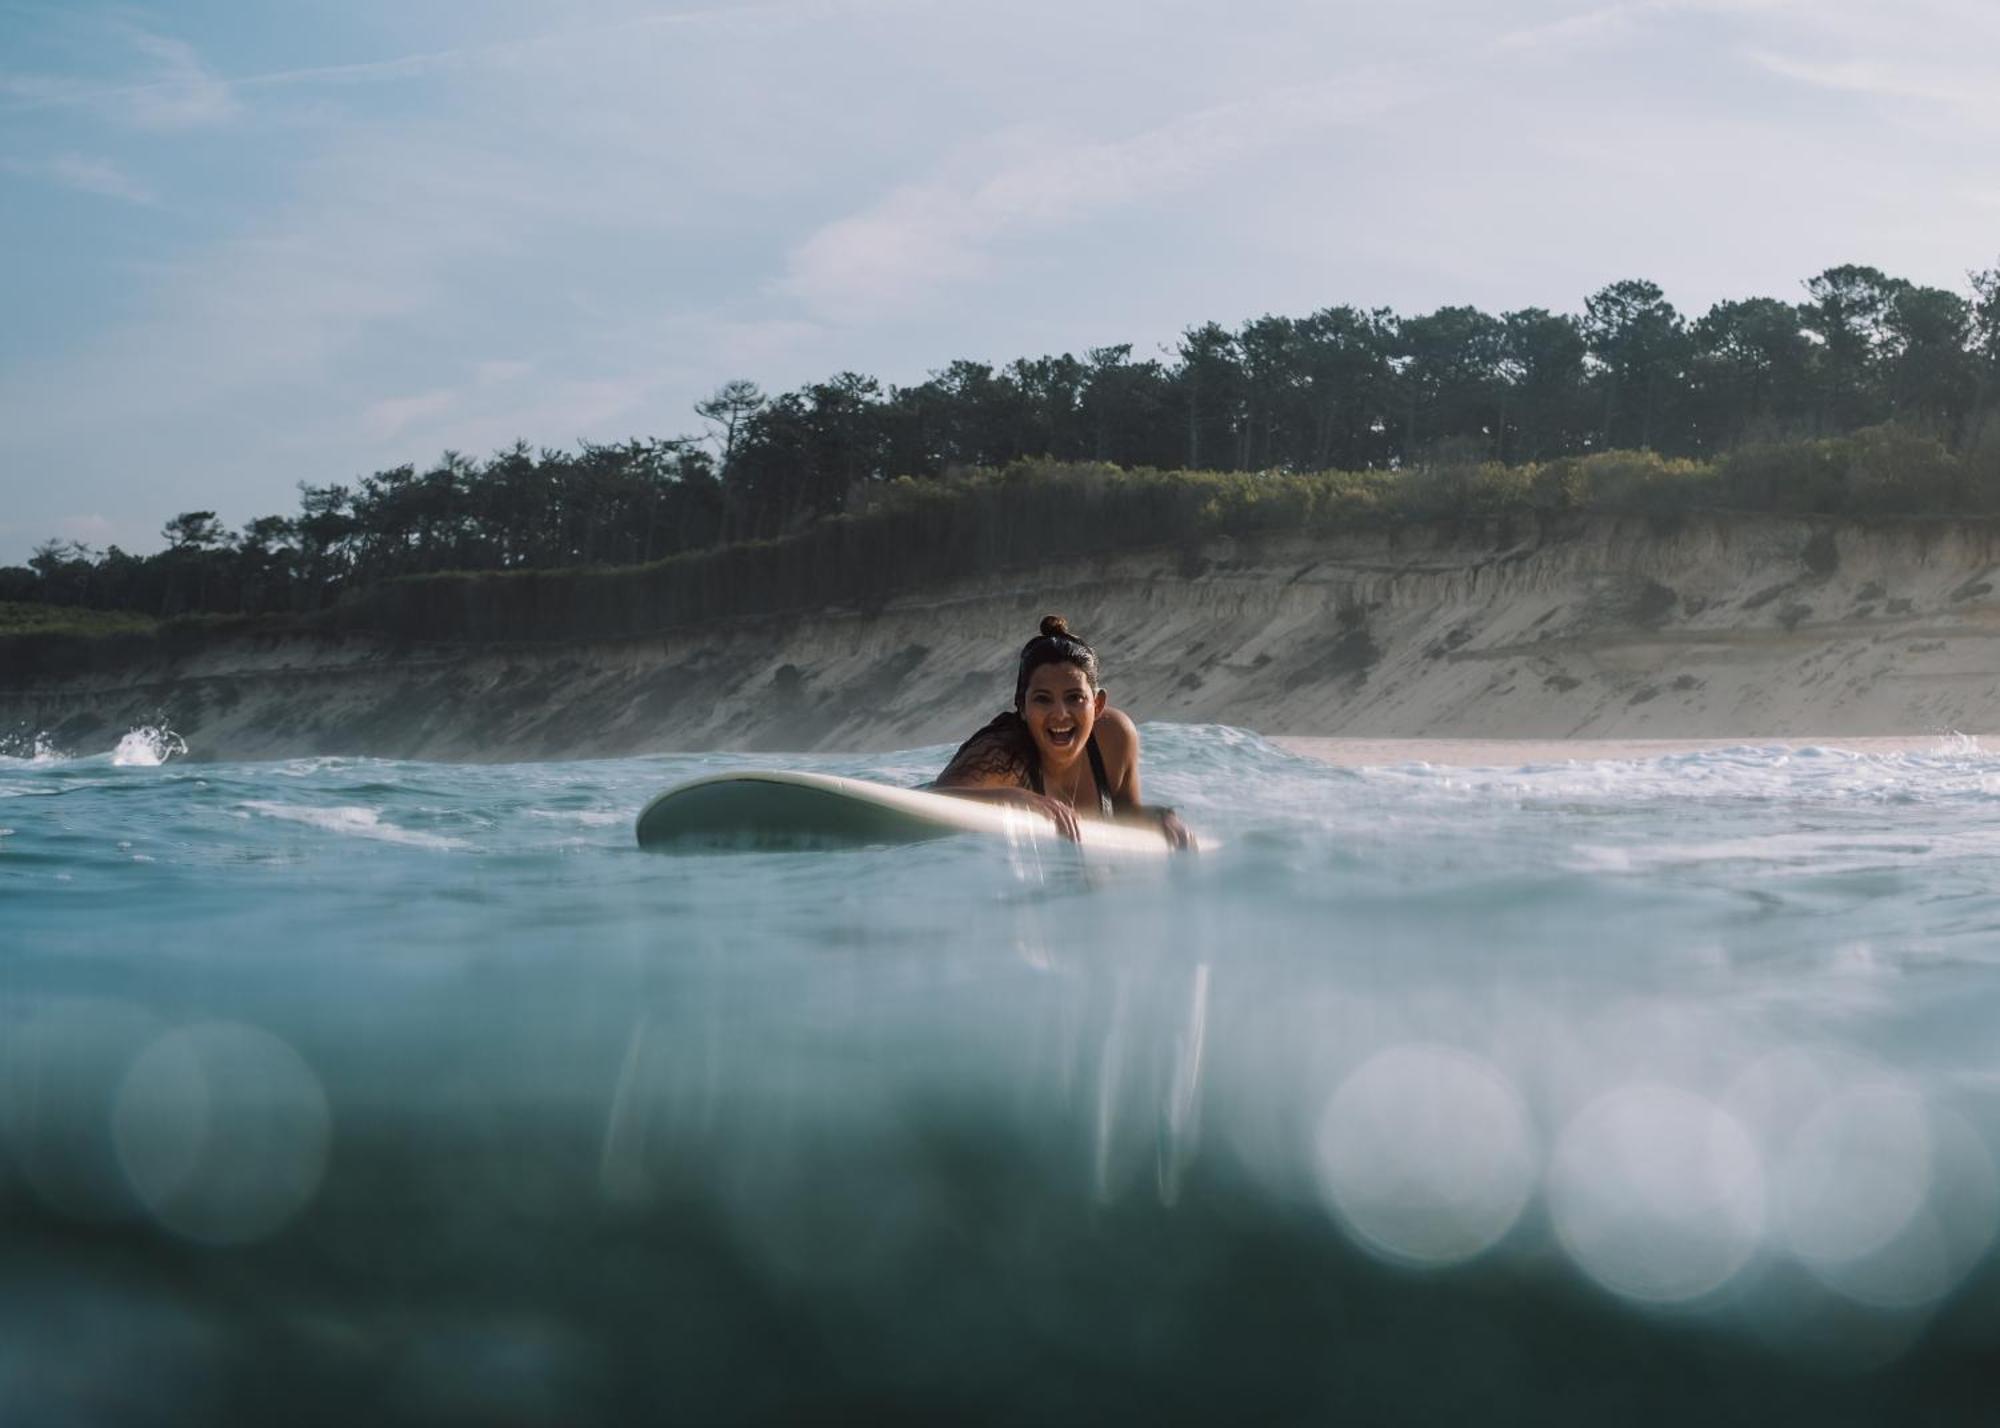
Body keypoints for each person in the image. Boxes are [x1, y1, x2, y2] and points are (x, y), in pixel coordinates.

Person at [932, 615, 1196, 851]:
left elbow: (1125, 809)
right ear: (1022, 706)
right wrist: (1011, 798)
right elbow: (931, 801)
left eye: (1074, 698)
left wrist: (1163, 818)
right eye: (1043, 699)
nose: (1060, 713)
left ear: (1098, 704)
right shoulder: (1001, 754)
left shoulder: (1115, 736)